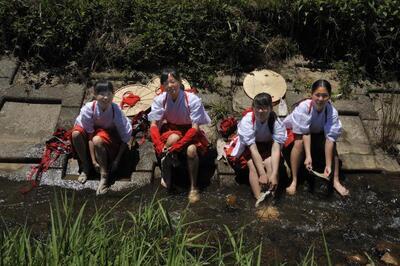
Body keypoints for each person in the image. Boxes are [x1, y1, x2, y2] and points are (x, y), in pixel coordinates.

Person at [148, 68, 211, 204]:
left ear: (179, 81)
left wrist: (179, 145)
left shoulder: (192, 99)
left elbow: (195, 127)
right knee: (173, 138)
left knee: (191, 150)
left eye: (173, 81)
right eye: (166, 83)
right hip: (171, 129)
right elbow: (153, 124)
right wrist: (158, 145)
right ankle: (167, 168)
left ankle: (193, 187)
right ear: (162, 86)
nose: (170, 86)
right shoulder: (161, 99)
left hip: (190, 131)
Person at [283, 79, 349, 196]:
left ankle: (336, 180)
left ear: (329, 97)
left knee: (334, 147)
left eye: (324, 96)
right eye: (317, 95)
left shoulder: (331, 111)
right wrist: (308, 156)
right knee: (299, 144)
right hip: (297, 133)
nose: (320, 99)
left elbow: (330, 139)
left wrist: (328, 165)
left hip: (317, 134)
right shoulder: (304, 107)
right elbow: (305, 133)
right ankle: (294, 180)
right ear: (311, 94)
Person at [71, 81, 132, 195]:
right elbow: (89, 134)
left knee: (97, 139)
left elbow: (125, 137)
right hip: (92, 137)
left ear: (113, 95)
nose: (106, 97)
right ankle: (85, 165)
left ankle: (104, 176)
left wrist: (117, 160)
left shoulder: (116, 110)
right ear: (95, 95)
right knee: (76, 134)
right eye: (102, 94)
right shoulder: (89, 109)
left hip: (108, 139)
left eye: (109, 94)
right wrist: (93, 161)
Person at [224, 93, 287, 205]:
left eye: (265, 108)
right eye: (258, 107)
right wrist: (262, 174)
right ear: (253, 108)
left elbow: (276, 149)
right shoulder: (247, 121)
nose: (261, 111)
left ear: (271, 108)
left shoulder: (276, 122)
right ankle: (259, 200)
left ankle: (270, 198)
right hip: (250, 146)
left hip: (267, 145)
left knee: (269, 163)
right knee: (252, 164)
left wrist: (274, 174)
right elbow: (253, 149)